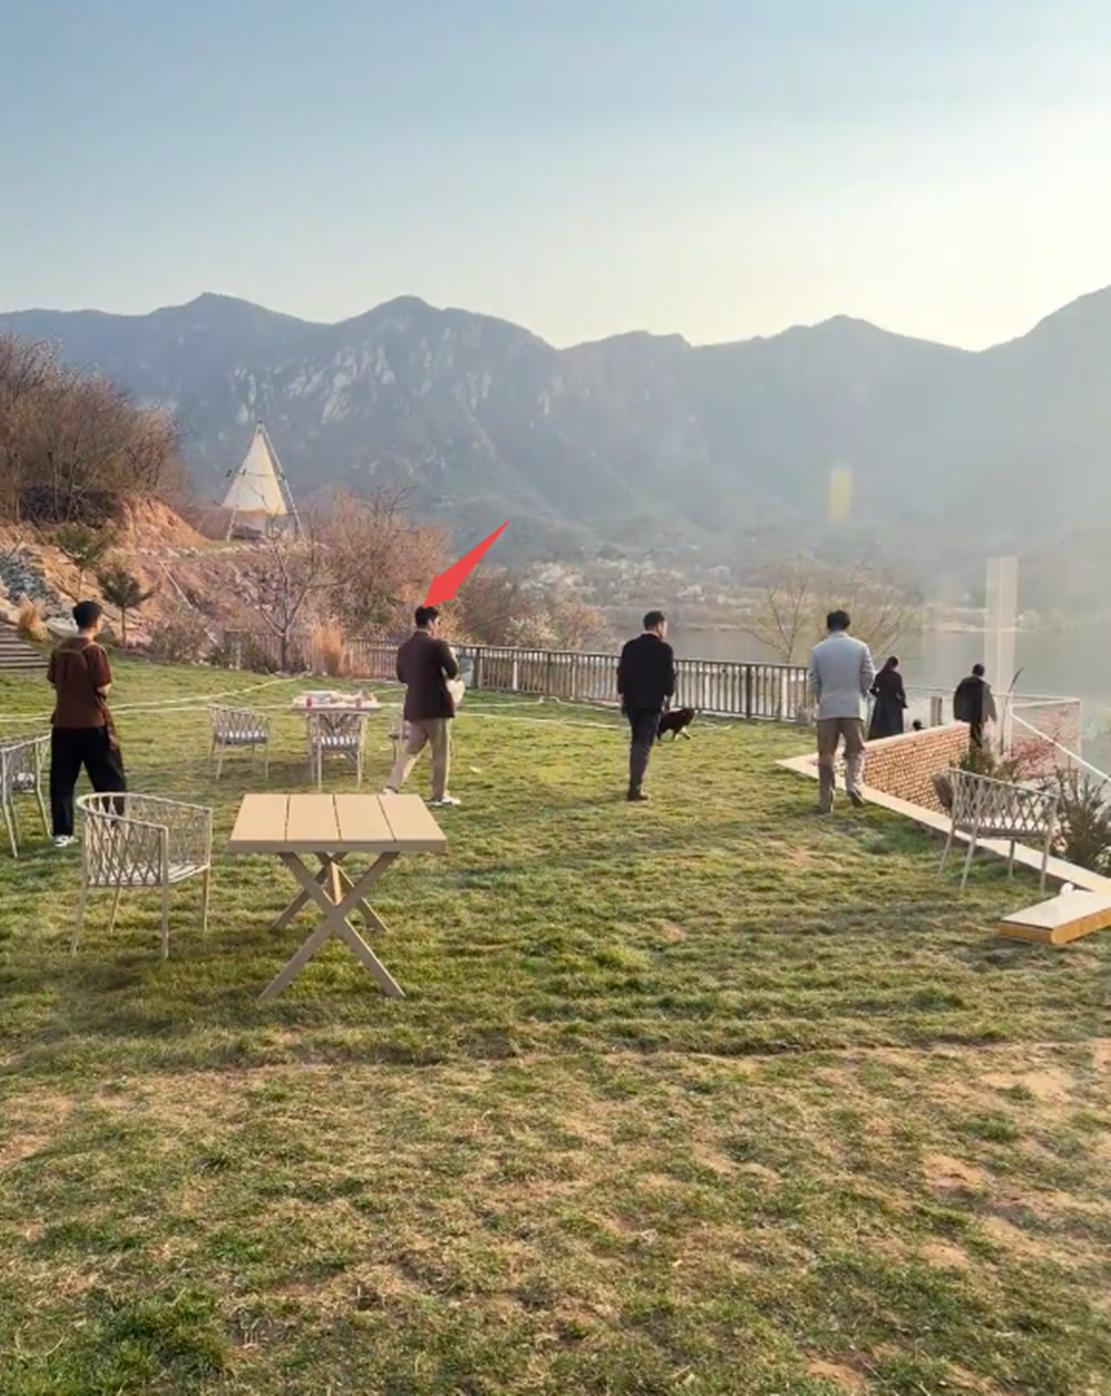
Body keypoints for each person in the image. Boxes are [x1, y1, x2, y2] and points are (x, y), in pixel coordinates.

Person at [47, 599, 126, 848]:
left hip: (63, 724)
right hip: (92, 723)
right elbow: (103, 687)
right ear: (96, 622)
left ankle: (62, 832)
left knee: (61, 780)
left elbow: (53, 682)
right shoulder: (94, 651)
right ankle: (114, 825)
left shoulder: (59, 650)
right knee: (109, 777)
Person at [384, 605, 460, 807]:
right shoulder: (438, 646)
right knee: (440, 752)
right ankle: (438, 795)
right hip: (437, 706)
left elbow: (402, 677)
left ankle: (392, 786)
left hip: (415, 706)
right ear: (430, 623)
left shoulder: (405, 648)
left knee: (411, 750)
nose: (437, 627)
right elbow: (453, 672)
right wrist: (451, 656)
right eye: (437, 623)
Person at [808, 610, 876, 813]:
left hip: (828, 708)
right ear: (847, 625)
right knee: (855, 751)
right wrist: (860, 692)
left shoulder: (817, 651)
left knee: (826, 754)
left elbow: (814, 680)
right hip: (854, 707)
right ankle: (853, 785)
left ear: (828, 626)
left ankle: (826, 799)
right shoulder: (860, 647)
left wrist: (822, 697)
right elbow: (869, 674)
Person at [617, 610, 675, 802]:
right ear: (658, 625)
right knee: (643, 745)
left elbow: (622, 674)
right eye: (664, 626)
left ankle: (634, 783)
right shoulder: (664, 650)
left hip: (632, 703)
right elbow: (668, 681)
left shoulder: (630, 647)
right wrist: (668, 697)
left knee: (637, 742)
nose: (665, 630)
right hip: (652, 703)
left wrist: (623, 697)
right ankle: (635, 788)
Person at [953, 663, 998, 750]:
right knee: (977, 738)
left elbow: (957, 699)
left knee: (965, 738)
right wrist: (994, 716)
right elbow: (989, 703)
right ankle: (977, 753)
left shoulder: (963, 683)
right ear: (982, 673)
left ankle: (967, 753)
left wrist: (956, 714)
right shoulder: (984, 686)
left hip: (964, 716)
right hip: (978, 717)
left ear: (972, 671)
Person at [868, 656, 907, 740]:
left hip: (881, 704)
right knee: (893, 729)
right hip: (893, 704)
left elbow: (872, 689)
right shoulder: (897, 677)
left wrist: (879, 696)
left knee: (878, 728)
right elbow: (900, 692)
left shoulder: (879, 675)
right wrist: (903, 702)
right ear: (895, 665)